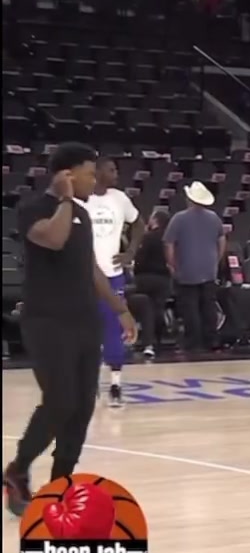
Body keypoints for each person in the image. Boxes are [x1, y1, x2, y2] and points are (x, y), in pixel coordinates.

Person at [3, 143, 138, 516]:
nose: (94, 181)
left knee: (82, 407)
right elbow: (53, 238)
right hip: (47, 320)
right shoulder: (33, 208)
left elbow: (91, 269)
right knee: (60, 401)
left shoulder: (82, 214)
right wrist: (64, 199)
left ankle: (60, 484)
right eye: (89, 174)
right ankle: (17, 470)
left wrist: (120, 309)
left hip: (85, 320)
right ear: (66, 174)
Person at [86, 157, 142, 408]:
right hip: (84, 275)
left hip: (112, 273)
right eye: (111, 169)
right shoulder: (81, 199)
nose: (116, 173)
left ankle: (116, 385)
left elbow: (138, 223)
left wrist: (130, 251)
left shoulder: (120, 198)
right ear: (97, 172)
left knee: (114, 327)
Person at [164, 180, 226, 352]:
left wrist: (172, 265)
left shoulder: (178, 219)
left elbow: (169, 244)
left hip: (187, 269)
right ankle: (211, 340)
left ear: (189, 199)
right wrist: (216, 260)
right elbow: (222, 241)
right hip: (209, 269)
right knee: (208, 306)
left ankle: (193, 342)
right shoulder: (214, 218)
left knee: (190, 307)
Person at [132, 209, 172, 359]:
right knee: (158, 308)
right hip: (164, 279)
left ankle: (145, 339)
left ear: (155, 221)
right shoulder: (170, 237)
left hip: (146, 277)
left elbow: (140, 259)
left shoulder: (148, 237)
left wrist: (135, 270)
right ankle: (158, 339)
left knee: (145, 306)